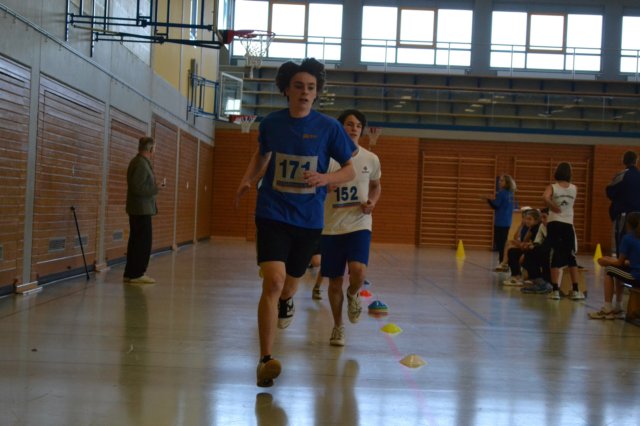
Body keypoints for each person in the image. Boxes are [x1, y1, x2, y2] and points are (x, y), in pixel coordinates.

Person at [234, 58, 356, 387]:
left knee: (289, 285)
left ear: (317, 93)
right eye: (299, 86)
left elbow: (350, 169)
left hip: (308, 219)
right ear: (286, 89)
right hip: (272, 212)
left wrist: (326, 178)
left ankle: (288, 300)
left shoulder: (329, 128)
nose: (305, 92)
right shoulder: (272, 123)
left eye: (311, 88)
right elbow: (262, 154)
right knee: (273, 282)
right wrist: (248, 179)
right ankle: (265, 360)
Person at [319, 109, 381, 347]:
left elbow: (376, 186)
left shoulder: (371, 158)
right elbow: (315, 186)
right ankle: (338, 326)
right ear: (340, 128)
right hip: (332, 226)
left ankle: (353, 293)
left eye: (357, 125)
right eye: (349, 124)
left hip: (359, 224)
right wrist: (325, 186)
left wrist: (372, 202)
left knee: (358, 271)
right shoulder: (327, 159)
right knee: (334, 282)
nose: (354, 128)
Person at [123, 136, 161, 284]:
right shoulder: (141, 164)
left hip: (139, 209)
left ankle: (130, 273)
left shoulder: (139, 161)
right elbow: (137, 188)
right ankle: (137, 273)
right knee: (142, 243)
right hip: (141, 209)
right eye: (154, 148)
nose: (154, 151)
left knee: (135, 241)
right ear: (150, 149)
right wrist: (155, 188)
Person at [542, 162, 583, 301]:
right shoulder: (574, 188)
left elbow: (545, 197)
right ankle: (576, 290)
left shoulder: (552, 187)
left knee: (555, 254)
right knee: (571, 256)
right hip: (568, 224)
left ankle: (555, 290)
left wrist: (553, 206)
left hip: (554, 222)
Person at [589, 212, 640, 319]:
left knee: (609, 270)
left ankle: (607, 309)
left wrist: (605, 261)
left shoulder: (628, 238)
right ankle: (618, 306)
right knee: (617, 270)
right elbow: (628, 262)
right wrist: (612, 260)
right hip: (636, 272)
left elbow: (619, 262)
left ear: (628, 224)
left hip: (636, 277)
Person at [606, 150, 640, 256]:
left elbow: (609, 191)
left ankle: (621, 264)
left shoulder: (621, 175)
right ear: (636, 161)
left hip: (625, 215)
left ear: (623, 161)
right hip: (638, 215)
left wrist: (619, 199)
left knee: (622, 242)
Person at [485, 175, 516, 270]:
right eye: (499, 180)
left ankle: (503, 263)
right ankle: (503, 262)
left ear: (507, 183)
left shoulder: (502, 193)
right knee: (503, 243)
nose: (499, 182)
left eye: (502, 181)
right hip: (507, 221)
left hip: (501, 222)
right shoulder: (510, 193)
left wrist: (488, 200)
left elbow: (496, 206)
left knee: (500, 244)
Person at [503, 208, 541, 286]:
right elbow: (524, 241)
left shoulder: (538, 228)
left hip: (536, 251)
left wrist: (525, 251)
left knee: (526, 256)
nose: (526, 221)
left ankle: (533, 278)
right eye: (526, 218)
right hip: (530, 249)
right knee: (512, 251)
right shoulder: (531, 228)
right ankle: (516, 276)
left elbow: (536, 245)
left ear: (536, 221)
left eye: (529, 219)